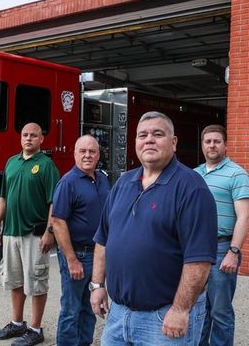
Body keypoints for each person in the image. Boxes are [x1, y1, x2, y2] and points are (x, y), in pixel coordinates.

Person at [90, 111, 217, 345]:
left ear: (174, 142)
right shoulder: (122, 184)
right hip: (118, 315)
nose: (149, 139)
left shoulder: (191, 189)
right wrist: (97, 285)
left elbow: (199, 261)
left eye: (158, 134)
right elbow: (103, 239)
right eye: (142, 135)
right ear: (135, 142)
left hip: (164, 317)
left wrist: (180, 310)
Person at [0, 122, 60, 346]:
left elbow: (54, 203)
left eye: (33, 135)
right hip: (11, 232)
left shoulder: (47, 166)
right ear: (20, 138)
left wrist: (50, 232)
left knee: (37, 282)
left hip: (35, 234)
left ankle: (35, 329)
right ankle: (18, 323)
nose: (28, 138)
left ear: (42, 139)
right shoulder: (11, 162)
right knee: (15, 280)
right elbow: (3, 198)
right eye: (25, 135)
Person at [195, 124, 249, 346]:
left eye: (216, 141)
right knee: (198, 308)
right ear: (202, 145)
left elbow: (244, 217)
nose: (212, 145)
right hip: (196, 249)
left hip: (221, 250)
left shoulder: (237, 174)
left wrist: (233, 252)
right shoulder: (195, 174)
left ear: (225, 145)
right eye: (207, 141)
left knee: (220, 312)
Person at [51, 135, 110, 345]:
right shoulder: (68, 182)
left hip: (98, 254)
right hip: (78, 255)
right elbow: (58, 222)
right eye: (82, 151)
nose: (87, 155)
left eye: (92, 152)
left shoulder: (103, 179)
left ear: (98, 154)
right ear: (75, 154)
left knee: (90, 306)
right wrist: (71, 259)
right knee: (71, 308)